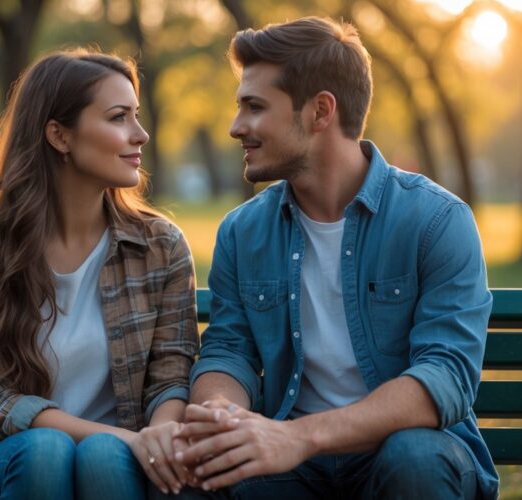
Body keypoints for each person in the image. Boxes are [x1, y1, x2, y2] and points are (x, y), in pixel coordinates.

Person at [172, 16, 497, 500]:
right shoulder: (243, 232)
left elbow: (443, 378)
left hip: (404, 452)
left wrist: (297, 438)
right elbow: (229, 351)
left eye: (254, 107)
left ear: (320, 111)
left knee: (414, 459)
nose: (236, 126)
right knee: (210, 472)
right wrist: (223, 413)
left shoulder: (436, 220)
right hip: (293, 466)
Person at [0, 49, 198, 500]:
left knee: (100, 457)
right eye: (119, 118)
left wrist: (153, 439)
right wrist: (124, 439)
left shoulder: (161, 247)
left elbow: (172, 376)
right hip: (13, 461)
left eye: (136, 116)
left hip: (121, 462)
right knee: (47, 451)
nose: (141, 134)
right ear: (59, 135)